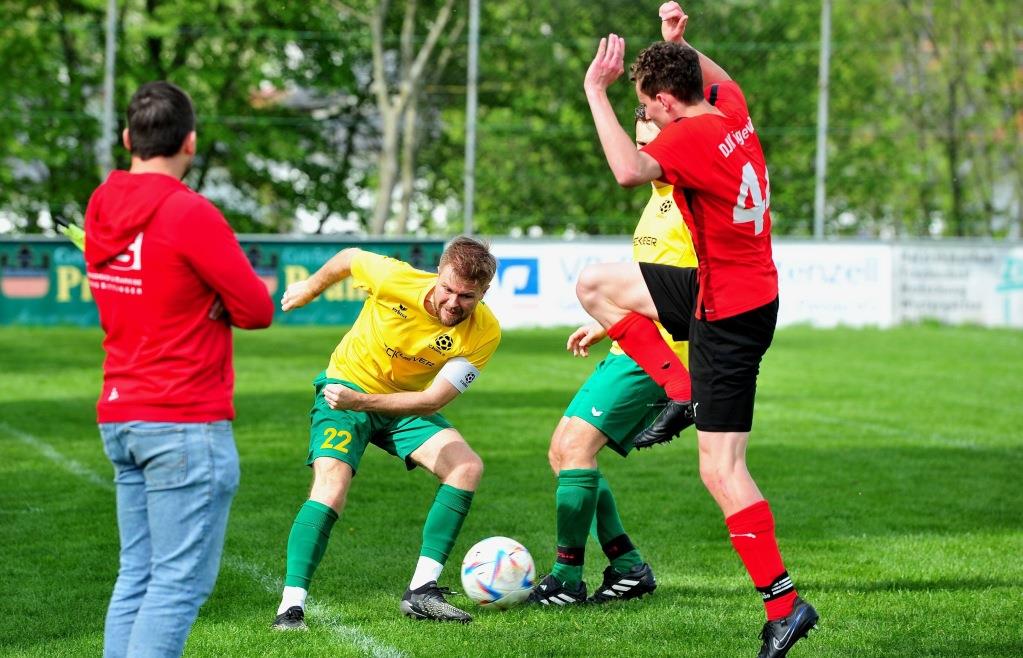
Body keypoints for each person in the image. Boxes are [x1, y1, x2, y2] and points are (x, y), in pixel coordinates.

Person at [574, 4, 818, 657]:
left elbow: (627, 170)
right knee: (595, 285)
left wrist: (595, 90)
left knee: (721, 470)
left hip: (728, 315)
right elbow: (711, 74)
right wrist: (675, 44)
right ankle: (679, 390)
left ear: (663, 100)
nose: (645, 121)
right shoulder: (730, 111)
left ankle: (785, 606)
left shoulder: (686, 139)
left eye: (645, 110)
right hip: (730, 287)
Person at [85, 81, 274, 658]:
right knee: (175, 585)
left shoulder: (100, 204)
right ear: (190, 142)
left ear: (127, 139)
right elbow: (257, 308)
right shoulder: (189, 212)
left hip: (122, 413)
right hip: (182, 419)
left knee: (138, 577)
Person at [270, 237, 501, 628]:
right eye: (447, 289)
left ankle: (421, 592)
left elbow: (432, 401)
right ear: (437, 274)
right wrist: (309, 289)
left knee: (466, 467)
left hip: (397, 404)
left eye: (467, 296)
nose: (453, 303)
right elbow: (347, 258)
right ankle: (291, 608)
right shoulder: (395, 278)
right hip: (342, 389)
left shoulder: (485, 332)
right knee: (332, 485)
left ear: (484, 292)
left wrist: (362, 402)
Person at [528, 115, 698, 606]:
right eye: (638, 143)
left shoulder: (690, 204)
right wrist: (607, 324)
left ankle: (566, 577)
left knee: (575, 450)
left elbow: (690, 296)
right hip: (632, 344)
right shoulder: (656, 200)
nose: (643, 154)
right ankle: (627, 567)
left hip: (662, 357)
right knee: (562, 451)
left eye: (651, 145)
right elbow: (653, 289)